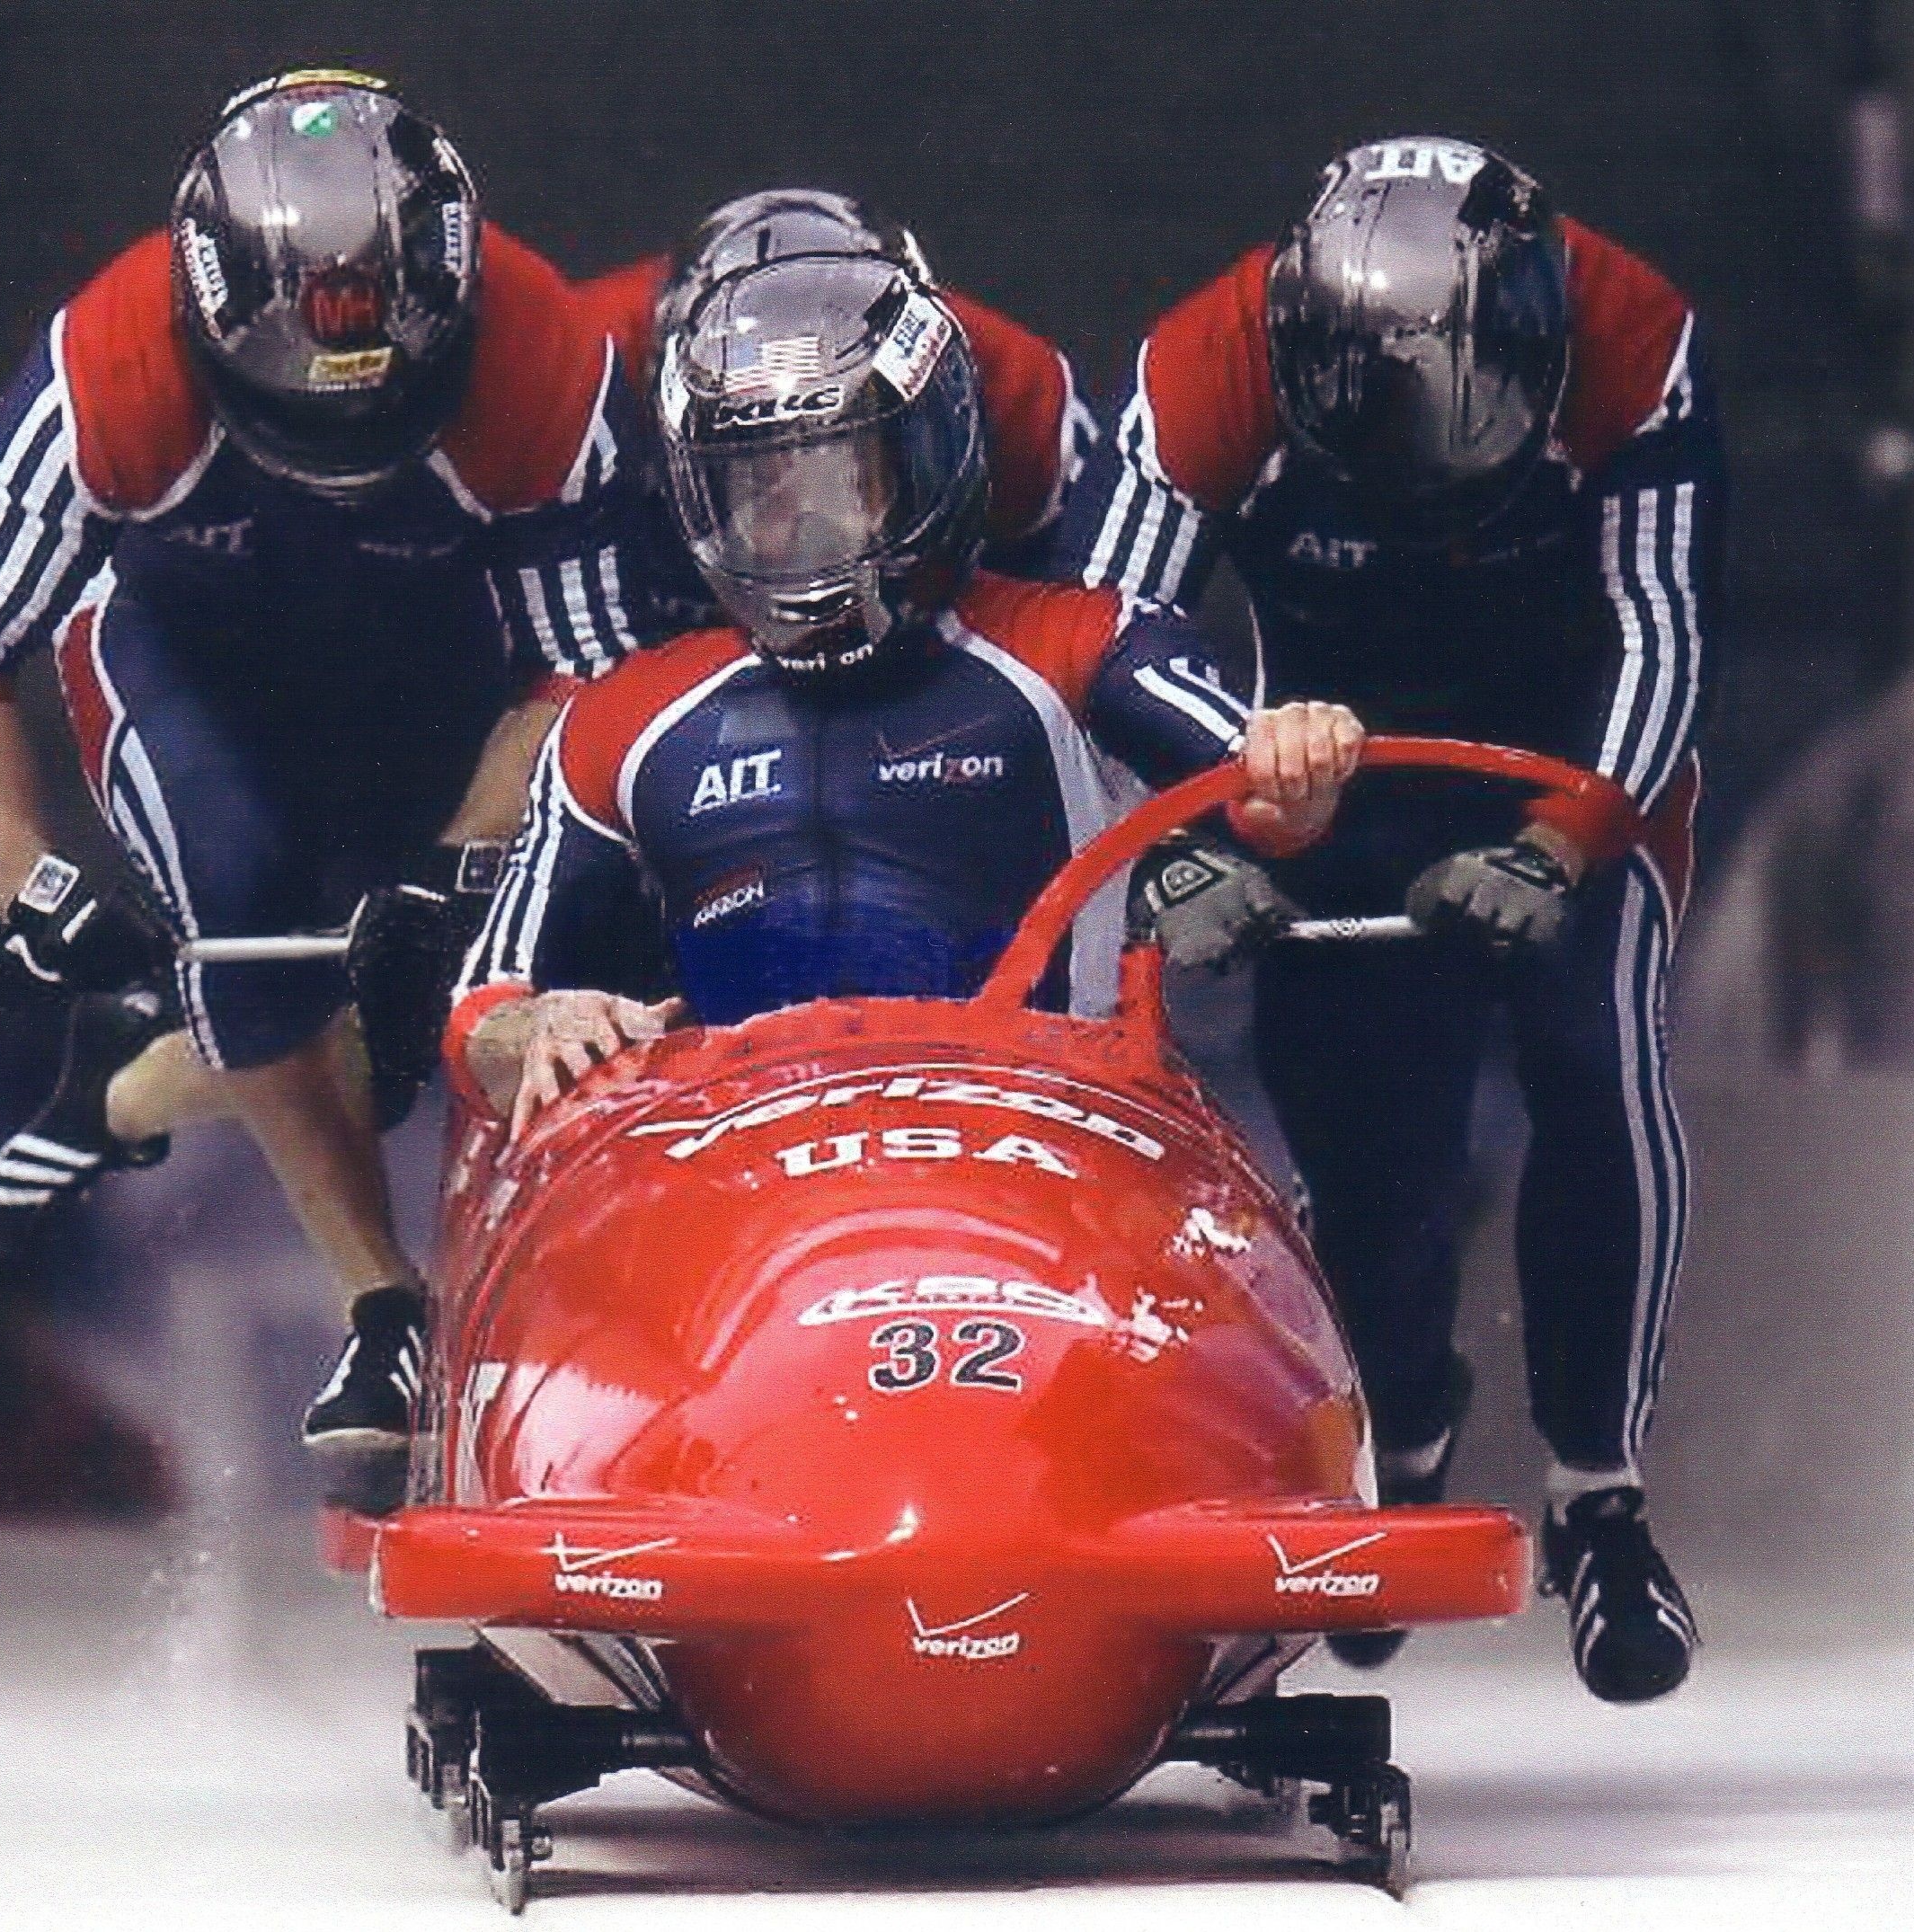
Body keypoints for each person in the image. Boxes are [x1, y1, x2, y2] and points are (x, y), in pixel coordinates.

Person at [0, 71, 660, 1456]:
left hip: (444, 674)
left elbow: (589, 669)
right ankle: (384, 1308)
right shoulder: (107, 369)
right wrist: (25, 885)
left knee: (489, 976)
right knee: (252, 926)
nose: (340, 450)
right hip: (195, 663)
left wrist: (456, 868)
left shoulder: (542, 358)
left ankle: (136, 1078)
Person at [1060, 137, 1723, 1704]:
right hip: (1324, 786)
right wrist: (1176, 841)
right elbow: (1099, 633)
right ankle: (1403, 1428)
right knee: (1375, 1158)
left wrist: (1569, 840)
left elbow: (1663, 620)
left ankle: (1602, 1498)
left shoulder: (1637, 339)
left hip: (1571, 766)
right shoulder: (1200, 367)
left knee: (1594, 1056)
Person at [441, 253, 1360, 1151]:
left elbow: (1250, 784)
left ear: (926, 460)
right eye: (758, 488)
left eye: (840, 476)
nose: (799, 526)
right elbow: (483, 1004)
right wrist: (536, 1026)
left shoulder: (1082, 642)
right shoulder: (624, 720)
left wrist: (1295, 762)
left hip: (1042, 1146)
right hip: (744, 1185)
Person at [572, 188, 1095, 613]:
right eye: (762, 478)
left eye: (845, 469)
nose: (807, 516)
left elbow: (1082, 605)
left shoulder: (1018, 394)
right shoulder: (583, 374)